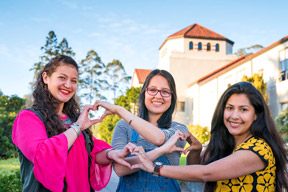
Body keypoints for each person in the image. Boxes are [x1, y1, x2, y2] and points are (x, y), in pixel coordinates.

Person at [131, 82, 288, 192]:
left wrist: (155, 168)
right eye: (230, 108)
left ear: (256, 115)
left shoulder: (258, 149)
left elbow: (206, 173)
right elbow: (195, 171)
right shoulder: (229, 146)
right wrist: (195, 150)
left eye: (243, 109)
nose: (234, 116)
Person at [12, 55, 134, 192]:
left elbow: (92, 153)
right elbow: (42, 154)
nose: (68, 85)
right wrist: (77, 128)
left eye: (74, 81)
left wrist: (112, 154)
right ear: (46, 78)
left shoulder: (73, 120)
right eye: (62, 78)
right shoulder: (28, 118)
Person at [94, 69, 189, 192]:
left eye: (165, 91)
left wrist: (120, 110)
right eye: (153, 90)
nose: (158, 96)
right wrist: (161, 151)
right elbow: (119, 169)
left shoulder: (179, 129)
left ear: (172, 97)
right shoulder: (124, 126)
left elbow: (159, 138)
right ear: (144, 93)